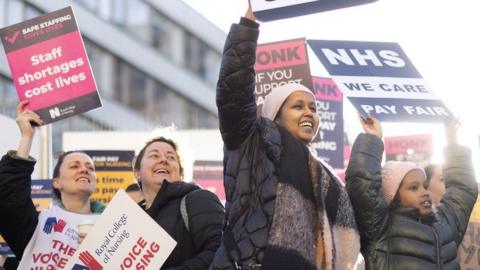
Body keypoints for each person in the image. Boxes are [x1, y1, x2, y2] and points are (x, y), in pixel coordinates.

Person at [210, 2, 362, 270]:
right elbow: (233, 91)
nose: (309, 113)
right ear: (276, 115)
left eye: (313, 108)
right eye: (298, 106)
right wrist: (247, 29)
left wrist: (371, 139)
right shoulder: (252, 142)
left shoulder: (325, 177)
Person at [346, 115, 478, 269]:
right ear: (393, 195)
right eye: (413, 187)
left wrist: (452, 141)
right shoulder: (380, 228)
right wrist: (373, 138)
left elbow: (462, 188)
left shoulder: (445, 223)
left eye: (425, 185)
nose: (424, 192)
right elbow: (362, 185)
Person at [0, 101, 105, 269]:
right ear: (57, 182)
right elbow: (8, 197)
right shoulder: (39, 225)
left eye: (90, 168)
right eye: (74, 166)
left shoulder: (112, 225)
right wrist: (27, 136)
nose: (84, 170)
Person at [133, 135, 224, 269]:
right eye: (154, 155)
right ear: (137, 173)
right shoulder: (130, 223)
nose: (163, 160)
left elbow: (221, 252)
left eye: (171, 157)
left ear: (181, 173)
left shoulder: (198, 199)